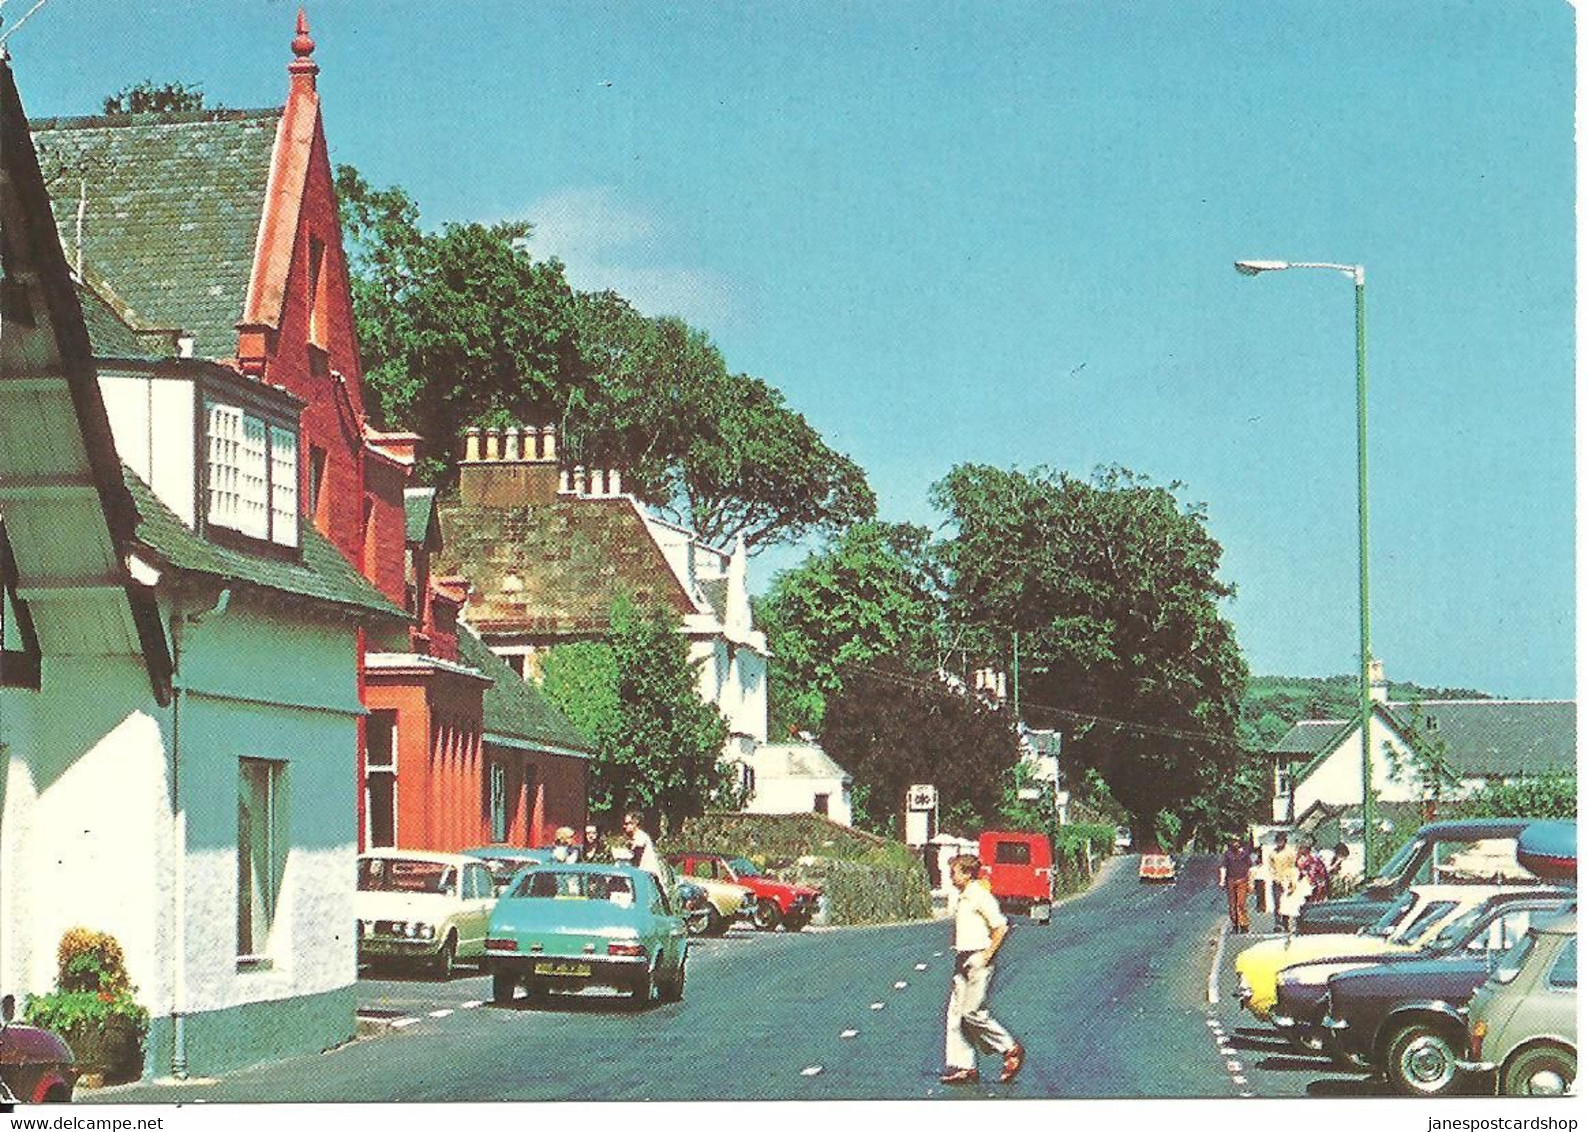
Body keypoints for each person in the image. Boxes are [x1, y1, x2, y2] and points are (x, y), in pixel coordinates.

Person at [939, 854, 1025, 1086]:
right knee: (956, 1014)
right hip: (963, 958)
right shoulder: (964, 896)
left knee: (972, 1012)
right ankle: (964, 1066)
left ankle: (1009, 1048)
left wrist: (986, 957)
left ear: (967, 874)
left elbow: (1001, 927)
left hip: (978, 957)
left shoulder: (979, 895)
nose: (950, 876)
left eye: (954, 872)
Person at [1217, 835, 1253, 934]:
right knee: (1232, 905)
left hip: (1242, 880)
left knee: (1240, 904)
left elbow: (1250, 868)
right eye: (1233, 842)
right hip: (1231, 880)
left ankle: (1244, 924)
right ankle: (1235, 925)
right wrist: (1222, 880)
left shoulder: (1244, 854)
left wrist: (1250, 882)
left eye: (1236, 841)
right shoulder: (1228, 854)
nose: (1234, 844)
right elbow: (1223, 867)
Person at [1266, 833, 1298, 933]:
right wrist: (1275, 877)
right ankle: (1277, 923)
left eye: (1282, 841)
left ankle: (1286, 923)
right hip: (1277, 881)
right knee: (1277, 903)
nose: (1280, 843)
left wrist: (1291, 880)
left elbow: (1292, 866)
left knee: (1286, 903)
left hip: (1287, 880)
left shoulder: (1290, 853)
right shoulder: (1273, 853)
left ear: (1285, 841)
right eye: (1278, 841)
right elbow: (1271, 867)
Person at [621, 811, 663, 880]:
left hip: (648, 878)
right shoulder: (633, 838)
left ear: (635, 823)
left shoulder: (641, 836)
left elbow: (636, 851)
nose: (624, 826)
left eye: (627, 824)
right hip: (642, 876)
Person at [1296, 840, 1330, 905]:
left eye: (1301, 848)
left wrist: (1318, 881)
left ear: (1306, 849)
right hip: (1305, 885)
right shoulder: (1300, 859)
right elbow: (1300, 872)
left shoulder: (1314, 859)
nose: (1299, 850)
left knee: (1316, 901)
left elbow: (1321, 872)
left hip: (1315, 884)